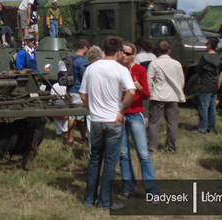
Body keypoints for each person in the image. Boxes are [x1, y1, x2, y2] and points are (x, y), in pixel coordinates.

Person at [80, 36, 135, 210]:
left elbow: (83, 95)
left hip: (96, 120)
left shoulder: (91, 68)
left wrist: (92, 110)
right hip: (113, 120)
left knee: (95, 158)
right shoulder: (120, 69)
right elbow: (132, 92)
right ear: (119, 52)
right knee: (110, 162)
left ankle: (89, 198)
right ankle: (104, 202)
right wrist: (121, 111)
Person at [117, 41, 159, 200]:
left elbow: (147, 94)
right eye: (122, 52)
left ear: (134, 54)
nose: (124, 56)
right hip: (120, 114)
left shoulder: (140, 70)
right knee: (123, 153)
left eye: (128, 53)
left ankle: (152, 190)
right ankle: (128, 187)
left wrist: (138, 88)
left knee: (143, 153)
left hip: (135, 114)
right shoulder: (116, 69)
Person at [147, 41, 186, 154]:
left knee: (154, 123)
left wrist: (149, 93)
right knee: (172, 123)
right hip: (172, 97)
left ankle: (152, 149)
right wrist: (177, 91)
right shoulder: (176, 64)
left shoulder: (154, 63)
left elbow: (149, 80)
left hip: (158, 96)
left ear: (158, 51)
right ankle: (172, 148)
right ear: (169, 51)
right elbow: (181, 80)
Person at [195, 37, 221, 134]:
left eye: (207, 44)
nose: (206, 45)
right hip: (214, 85)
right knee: (212, 108)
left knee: (203, 107)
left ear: (210, 45)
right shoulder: (218, 57)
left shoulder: (205, 57)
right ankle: (211, 127)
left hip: (205, 84)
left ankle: (202, 128)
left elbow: (198, 69)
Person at [66, 39, 89, 145]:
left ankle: (84, 137)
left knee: (79, 115)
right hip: (78, 90)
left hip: (70, 88)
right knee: (73, 115)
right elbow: (85, 77)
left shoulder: (71, 57)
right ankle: (70, 139)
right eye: (87, 48)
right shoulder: (82, 61)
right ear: (84, 47)